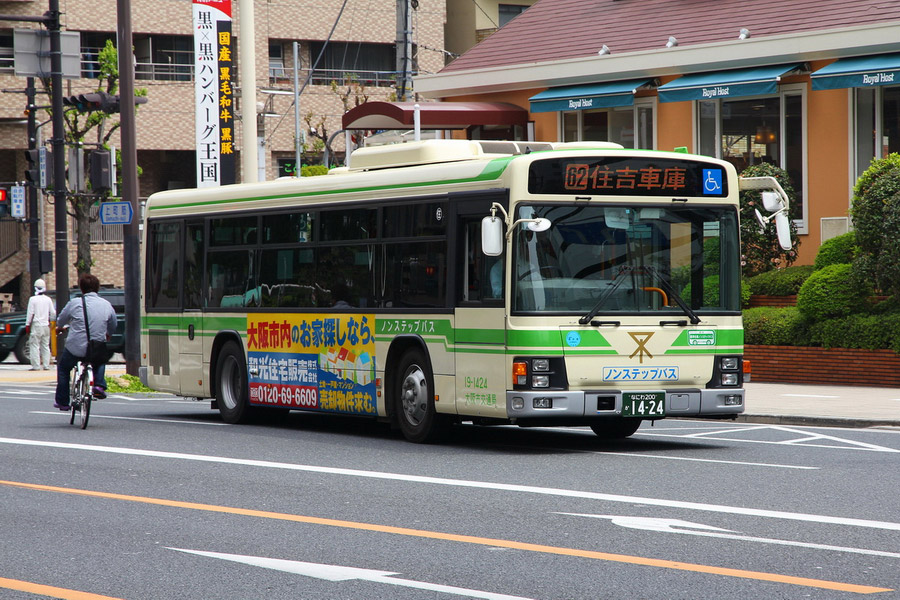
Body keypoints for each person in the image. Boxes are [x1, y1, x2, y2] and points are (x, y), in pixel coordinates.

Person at [54, 273, 118, 410]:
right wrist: (108, 334)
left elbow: (61, 320)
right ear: (98, 288)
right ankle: (99, 385)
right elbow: (113, 323)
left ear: (81, 289)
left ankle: (63, 402)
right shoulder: (106, 305)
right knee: (100, 360)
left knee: (64, 369)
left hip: (75, 348)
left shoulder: (75, 303)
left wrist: (60, 328)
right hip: (96, 347)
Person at [25, 278, 56, 371]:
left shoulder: (32, 299)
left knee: (34, 345)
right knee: (45, 345)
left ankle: (36, 366)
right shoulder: (48, 299)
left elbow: (30, 313)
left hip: (36, 325)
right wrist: (51, 322)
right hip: (46, 325)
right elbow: (53, 313)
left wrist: (27, 325)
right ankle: (46, 365)